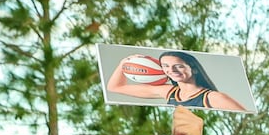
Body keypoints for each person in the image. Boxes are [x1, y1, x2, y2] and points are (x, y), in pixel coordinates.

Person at [104, 50, 248, 112]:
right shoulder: (168, 91)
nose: (172, 70)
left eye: (178, 66)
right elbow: (115, 87)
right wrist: (124, 62)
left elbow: (245, 120)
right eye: (166, 66)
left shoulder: (214, 98)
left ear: (194, 69)